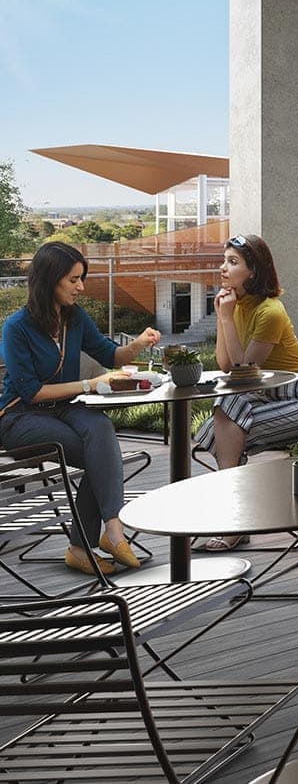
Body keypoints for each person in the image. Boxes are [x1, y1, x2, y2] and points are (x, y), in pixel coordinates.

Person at [0, 243, 161, 576]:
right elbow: (32, 392)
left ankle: (110, 532)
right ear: (50, 280)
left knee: (100, 429)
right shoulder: (16, 328)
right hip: (20, 417)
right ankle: (84, 546)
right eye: (74, 279)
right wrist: (90, 385)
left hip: (66, 409)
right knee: (96, 455)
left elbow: (110, 356)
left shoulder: (75, 318)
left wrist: (138, 344)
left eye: (81, 278)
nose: (81, 287)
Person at [197, 234, 298, 549]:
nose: (223, 268)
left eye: (232, 262)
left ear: (253, 270)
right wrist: (223, 317)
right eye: (224, 260)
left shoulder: (270, 311)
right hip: (262, 394)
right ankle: (238, 513)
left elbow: (244, 372)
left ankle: (235, 519)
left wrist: (226, 317)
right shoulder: (235, 305)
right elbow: (227, 364)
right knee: (222, 422)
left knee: (224, 419)